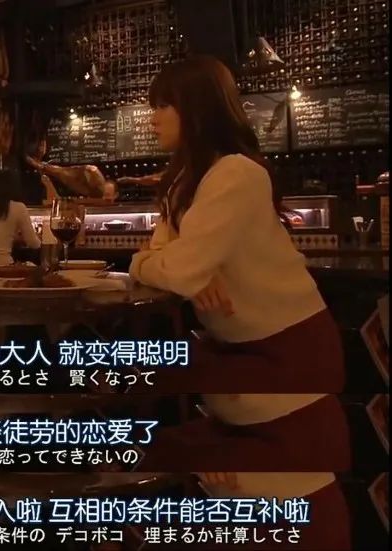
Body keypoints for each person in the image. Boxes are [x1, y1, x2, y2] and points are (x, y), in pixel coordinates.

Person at [127, 56, 350, 549]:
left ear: (196, 109)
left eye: (163, 105)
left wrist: (159, 264)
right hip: (238, 351)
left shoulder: (236, 174)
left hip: (287, 355)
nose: (152, 117)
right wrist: (174, 264)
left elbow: (174, 267)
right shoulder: (185, 182)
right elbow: (168, 259)